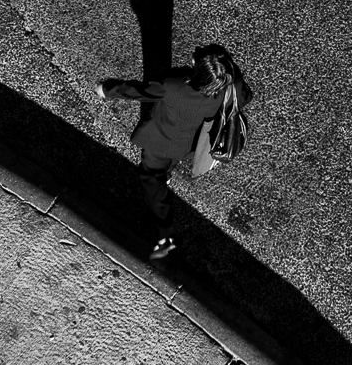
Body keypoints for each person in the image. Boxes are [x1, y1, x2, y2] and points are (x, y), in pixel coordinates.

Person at [97, 43, 252, 259]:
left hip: (161, 144)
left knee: (150, 178)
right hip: (190, 145)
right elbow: (246, 96)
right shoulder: (229, 88)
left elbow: (138, 92)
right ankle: (167, 175)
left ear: (197, 71)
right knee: (169, 164)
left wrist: (106, 89)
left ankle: (165, 232)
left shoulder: (173, 84)